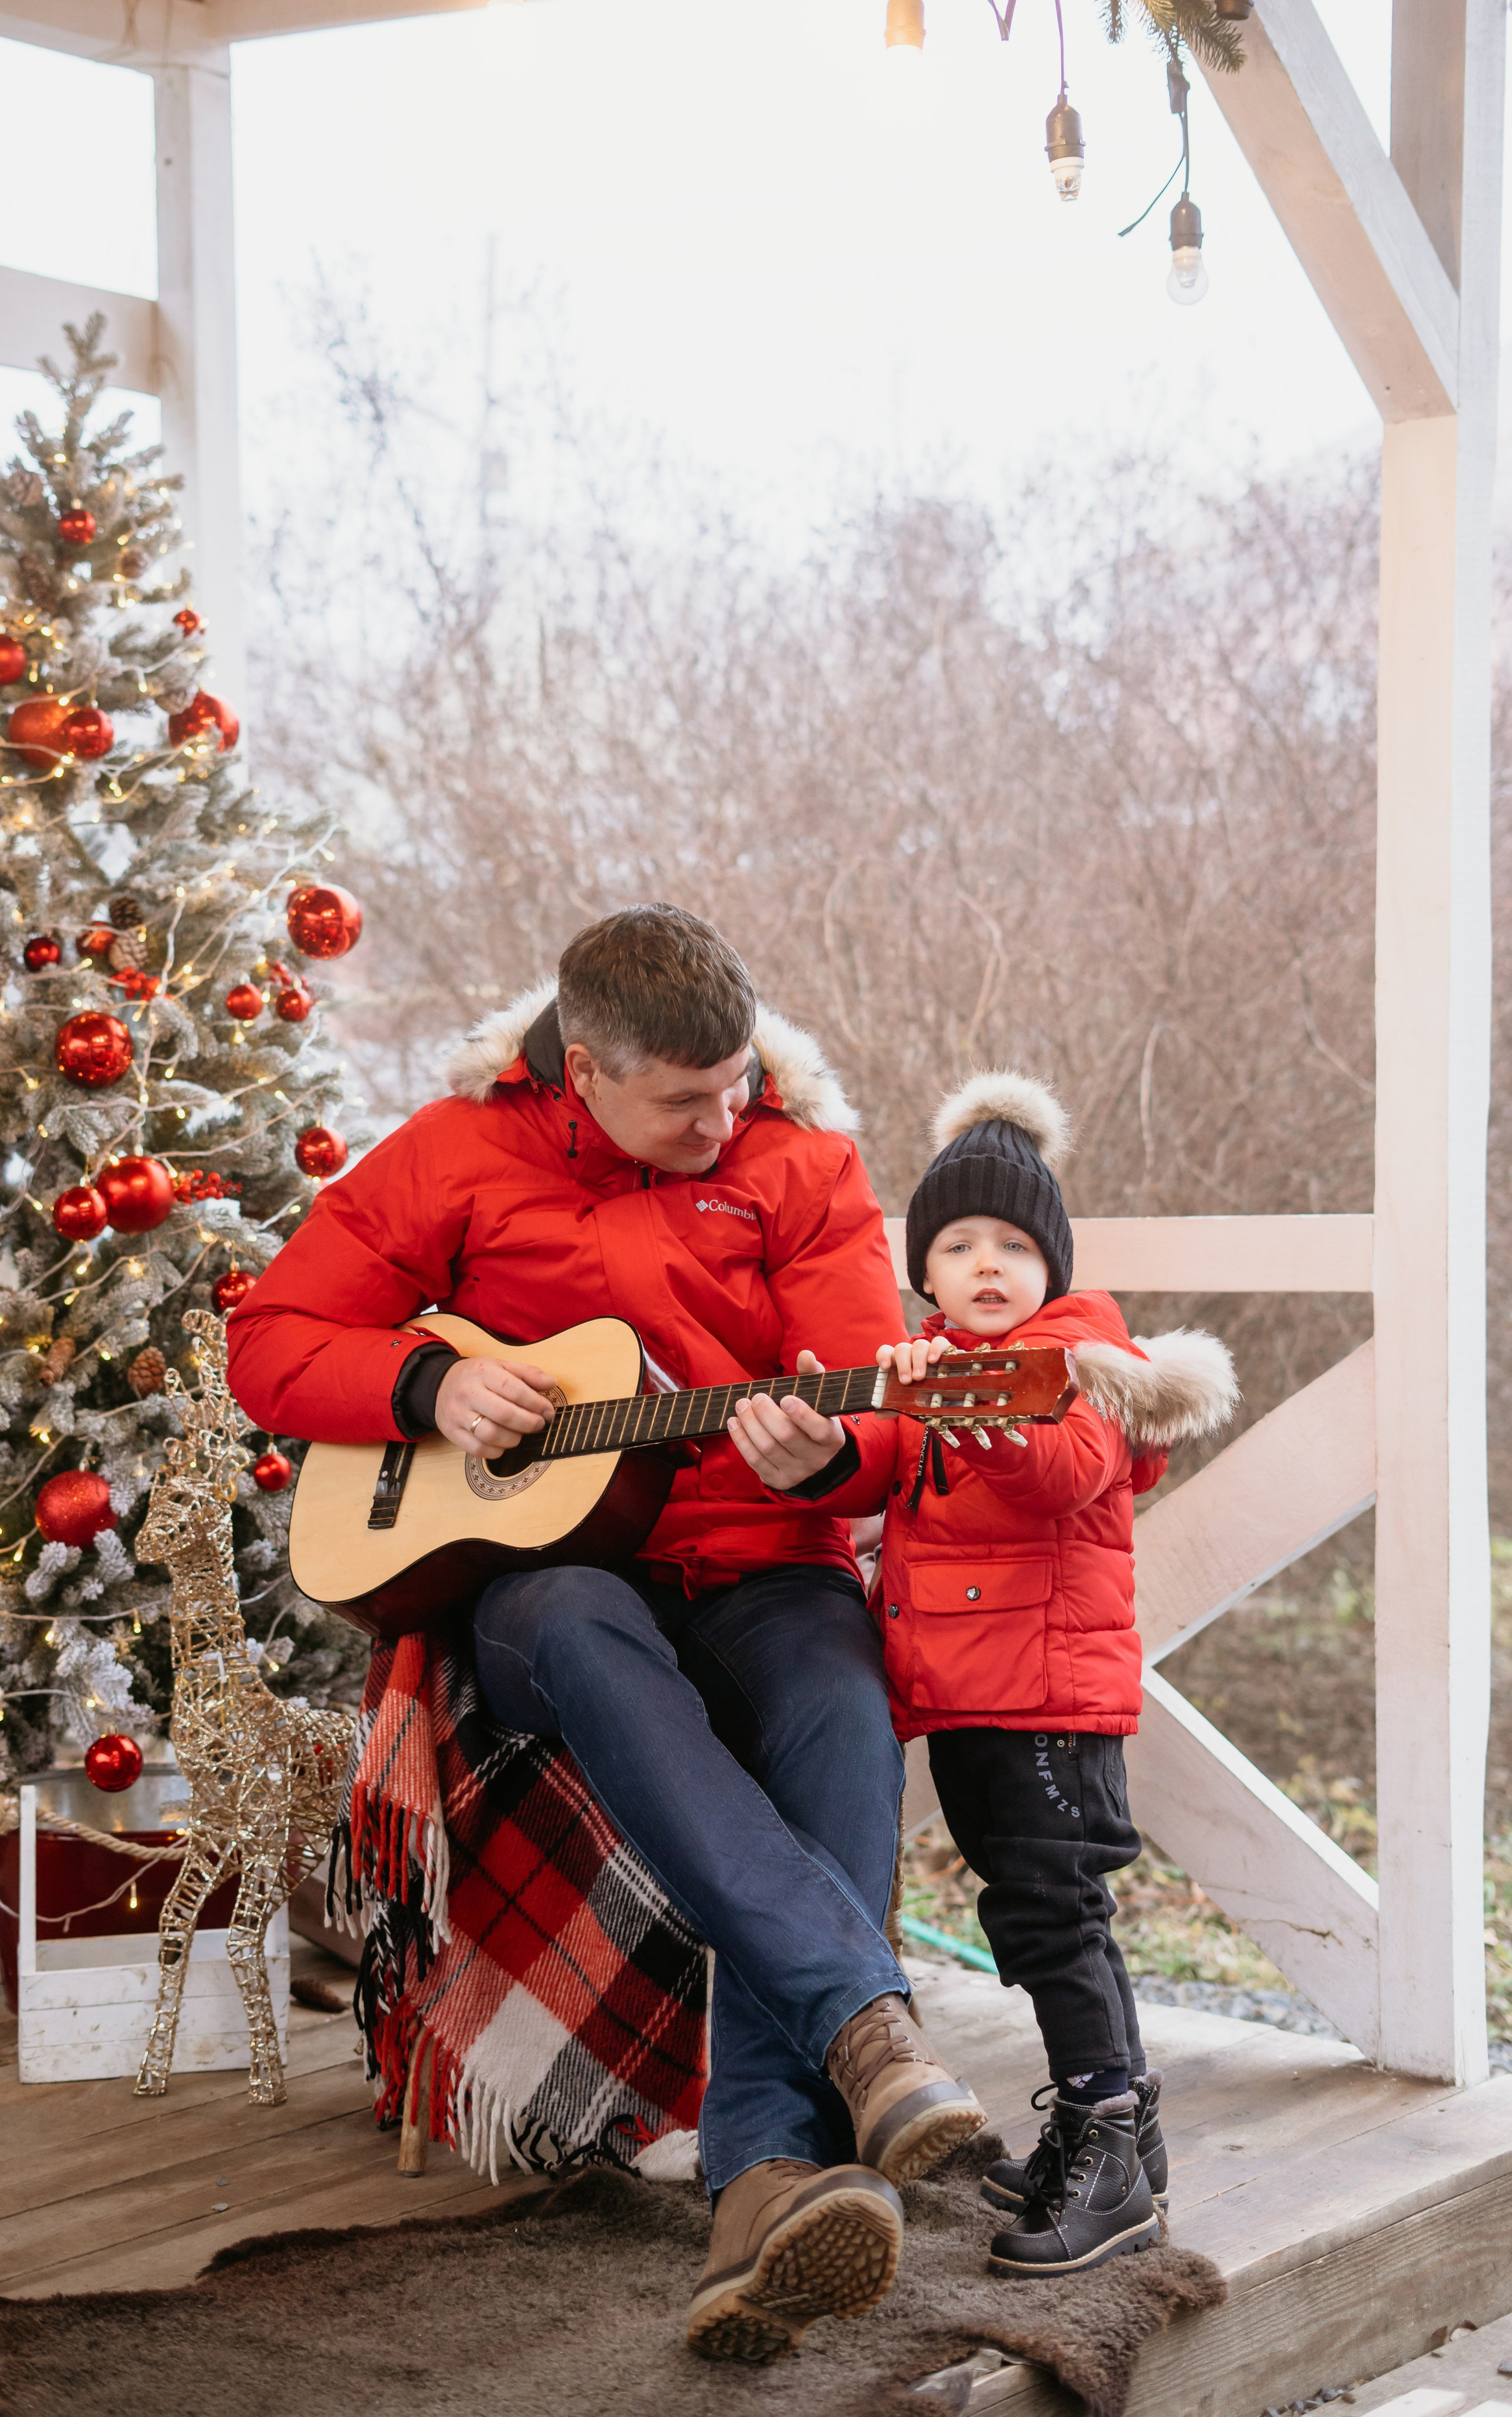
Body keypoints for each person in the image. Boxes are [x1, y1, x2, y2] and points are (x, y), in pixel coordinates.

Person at [227, 905, 986, 2361]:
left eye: (737, 1085)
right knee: (577, 1623)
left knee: (840, 1712)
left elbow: (880, 1417)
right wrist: (425, 1389)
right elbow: (267, 1339)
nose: (723, 1121)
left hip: (763, 1566)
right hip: (549, 1584)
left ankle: (759, 2182)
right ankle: (866, 2029)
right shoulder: (457, 1152)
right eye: (683, 1102)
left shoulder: (803, 1165)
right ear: (582, 1069)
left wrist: (828, 1457)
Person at [729, 1071, 1237, 2276]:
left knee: (1056, 1918)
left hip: (1048, 1696)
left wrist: (967, 1412)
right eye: (959, 1246)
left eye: (1015, 1245)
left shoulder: (1079, 1363)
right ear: (927, 1271)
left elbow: (1061, 1473)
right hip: (968, 1693)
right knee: (1028, 1910)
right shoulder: (939, 1366)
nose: (988, 1264)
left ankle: (1108, 2157)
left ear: (1053, 1265)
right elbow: (882, 1471)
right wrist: (822, 1455)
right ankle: (1122, 2130)